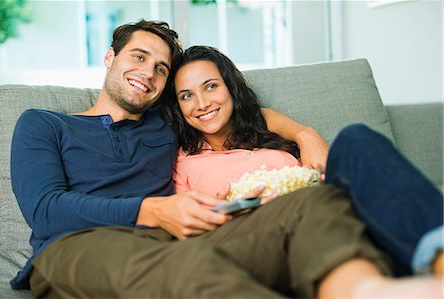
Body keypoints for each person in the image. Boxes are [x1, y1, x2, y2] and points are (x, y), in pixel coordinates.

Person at [9, 19, 340, 298]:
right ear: (110, 56)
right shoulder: (45, 123)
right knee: (190, 264)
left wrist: (305, 135)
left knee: (311, 207)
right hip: (76, 245)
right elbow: (45, 211)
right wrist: (152, 210)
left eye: (160, 68)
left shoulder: (168, 122)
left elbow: (238, 113)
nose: (147, 72)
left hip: (169, 241)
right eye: (138, 57)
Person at [169, 45, 443, 295]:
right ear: (178, 106)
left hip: (335, 210)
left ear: (230, 88)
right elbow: (184, 229)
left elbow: (262, 117)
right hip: (277, 234)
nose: (202, 103)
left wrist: (307, 137)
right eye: (186, 95)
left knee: (355, 138)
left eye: (211, 86)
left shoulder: (262, 126)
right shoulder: (183, 162)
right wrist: (228, 208)